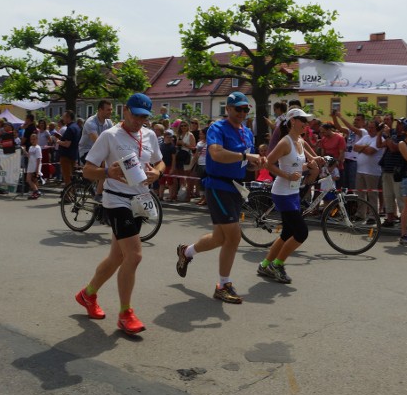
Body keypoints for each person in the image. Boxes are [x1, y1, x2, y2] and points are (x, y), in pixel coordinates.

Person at [75, 93, 164, 335]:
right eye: (135, 115)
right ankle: (126, 313)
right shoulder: (109, 135)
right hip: (116, 201)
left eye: (144, 117)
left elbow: (160, 162)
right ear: (125, 110)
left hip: (139, 201)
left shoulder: (150, 135)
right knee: (134, 256)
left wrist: (157, 173)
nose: (139, 120)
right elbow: (87, 171)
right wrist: (107, 173)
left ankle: (87, 294)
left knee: (117, 258)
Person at [175, 92, 265, 304]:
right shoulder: (218, 127)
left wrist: (254, 163)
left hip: (234, 186)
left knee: (219, 238)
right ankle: (223, 285)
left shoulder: (247, 132)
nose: (242, 113)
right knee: (233, 237)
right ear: (228, 109)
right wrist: (245, 156)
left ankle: (186, 251)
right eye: (238, 109)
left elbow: (245, 161)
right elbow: (216, 153)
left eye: (245, 109)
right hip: (217, 185)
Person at [257, 108, 320, 284]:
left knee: (287, 232)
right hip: (282, 192)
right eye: (303, 121)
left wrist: (311, 164)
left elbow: (296, 167)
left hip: (292, 191)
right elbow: (268, 163)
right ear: (293, 121)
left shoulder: (299, 141)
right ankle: (277, 265)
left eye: (307, 121)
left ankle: (265, 264)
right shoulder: (285, 142)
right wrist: (287, 176)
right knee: (301, 232)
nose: (306, 124)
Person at [352, 120, 384, 225]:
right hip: (360, 170)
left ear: (377, 129)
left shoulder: (379, 139)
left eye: (372, 128)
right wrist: (365, 147)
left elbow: (370, 152)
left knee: (372, 195)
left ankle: (372, 216)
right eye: (369, 127)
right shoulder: (366, 138)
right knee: (360, 194)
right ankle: (361, 214)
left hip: (372, 172)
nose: (369, 129)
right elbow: (354, 147)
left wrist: (362, 148)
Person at [56, 111, 80, 186]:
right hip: (74, 155)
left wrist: (58, 141)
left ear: (68, 117)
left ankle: (69, 195)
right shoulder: (76, 127)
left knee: (67, 178)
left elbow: (67, 144)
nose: (63, 119)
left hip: (66, 156)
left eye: (64, 117)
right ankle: (71, 194)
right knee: (71, 177)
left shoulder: (70, 128)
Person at [24, 132, 42, 199]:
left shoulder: (38, 148)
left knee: (29, 179)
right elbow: (29, 156)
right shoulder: (31, 147)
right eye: (31, 139)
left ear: (37, 139)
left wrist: (37, 169)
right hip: (30, 165)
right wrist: (24, 151)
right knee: (30, 180)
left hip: (35, 165)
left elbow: (39, 158)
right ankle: (35, 192)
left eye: (34, 139)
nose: (33, 140)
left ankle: (36, 191)